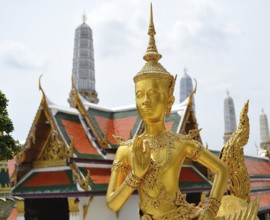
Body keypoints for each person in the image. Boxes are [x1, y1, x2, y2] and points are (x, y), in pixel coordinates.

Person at [106, 5, 228, 220]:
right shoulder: (127, 151)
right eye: (140, 94)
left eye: (153, 93)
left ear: (169, 101)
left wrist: (210, 209)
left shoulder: (180, 143)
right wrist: (135, 176)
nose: (145, 101)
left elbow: (221, 169)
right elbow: (112, 203)